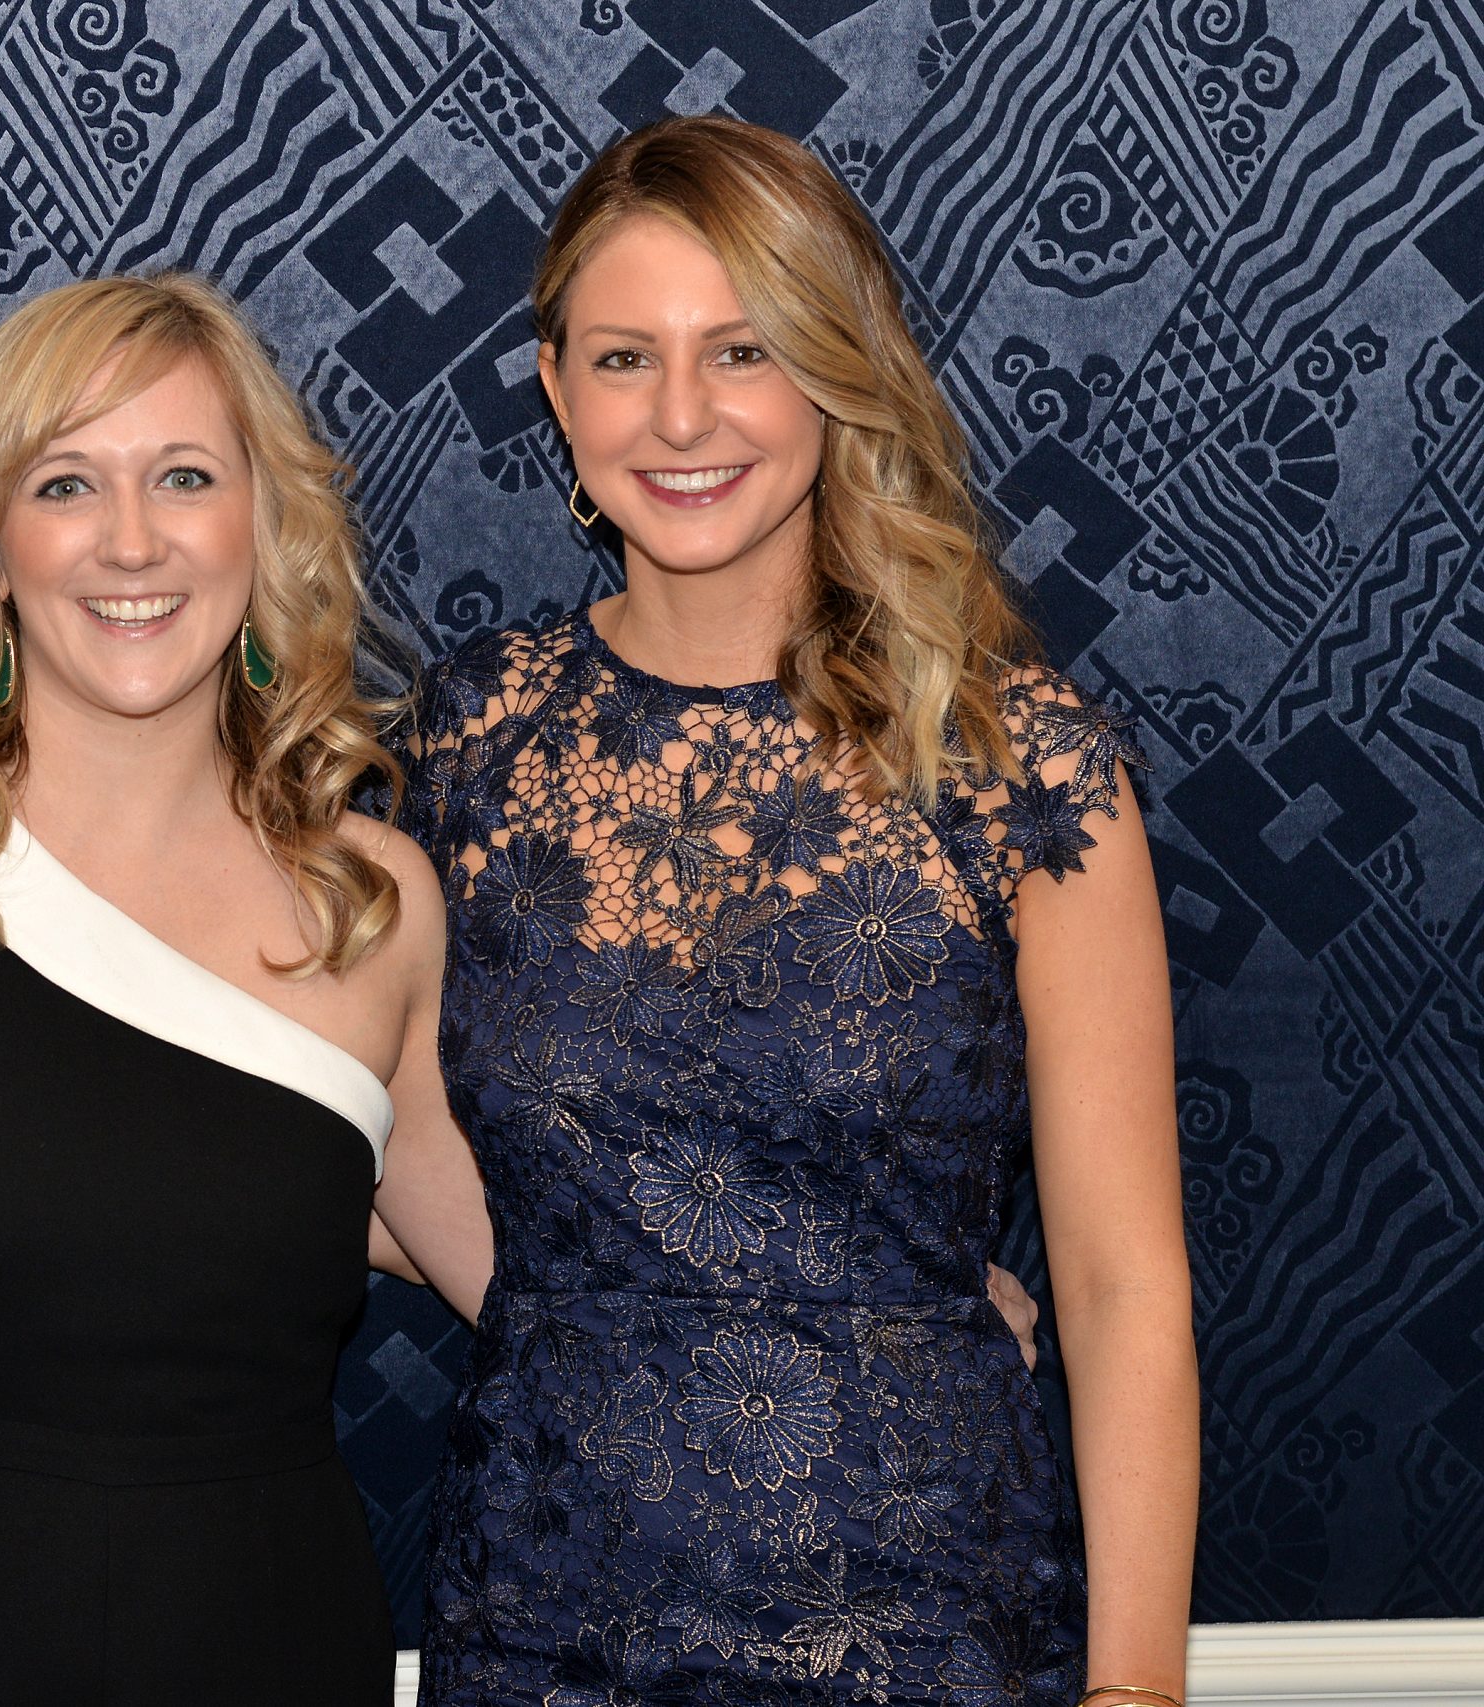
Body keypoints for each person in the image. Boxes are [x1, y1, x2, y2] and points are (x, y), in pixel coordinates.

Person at [403, 116, 1199, 1705]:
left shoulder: (1015, 762)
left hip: (930, 1637)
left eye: (744, 349)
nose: (680, 415)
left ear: (838, 374)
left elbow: (1123, 1289)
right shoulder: (466, 742)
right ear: (555, 390)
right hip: (547, 1624)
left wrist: (1135, 1691)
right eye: (624, 359)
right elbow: (373, 1144)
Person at [0, 272, 490, 1706]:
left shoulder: (370, 907)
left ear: (263, 525)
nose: (131, 541)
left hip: (259, 1642)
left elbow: (542, 1282)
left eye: (185, 476)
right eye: (66, 484)